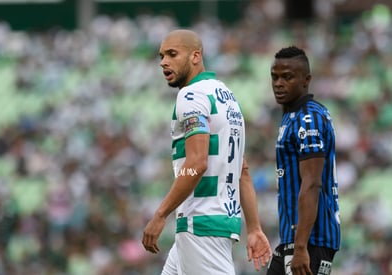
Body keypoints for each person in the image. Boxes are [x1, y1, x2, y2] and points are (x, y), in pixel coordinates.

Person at [142, 29, 272, 274]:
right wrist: (254, 228)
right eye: (161, 56)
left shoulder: (191, 95)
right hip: (216, 222)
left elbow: (197, 162)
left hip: (201, 222)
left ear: (195, 56)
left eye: (172, 54)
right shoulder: (227, 97)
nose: (164, 62)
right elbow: (242, 169)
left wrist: (160, 214)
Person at [267, 46, 341, 275]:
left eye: (287, 77)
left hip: (311, 241)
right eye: (275, 77)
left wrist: (301, 247)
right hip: (293, 238)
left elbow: (311, 183)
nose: (279, 83)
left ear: (306, 80)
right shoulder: (292, 116)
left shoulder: (309, 118)